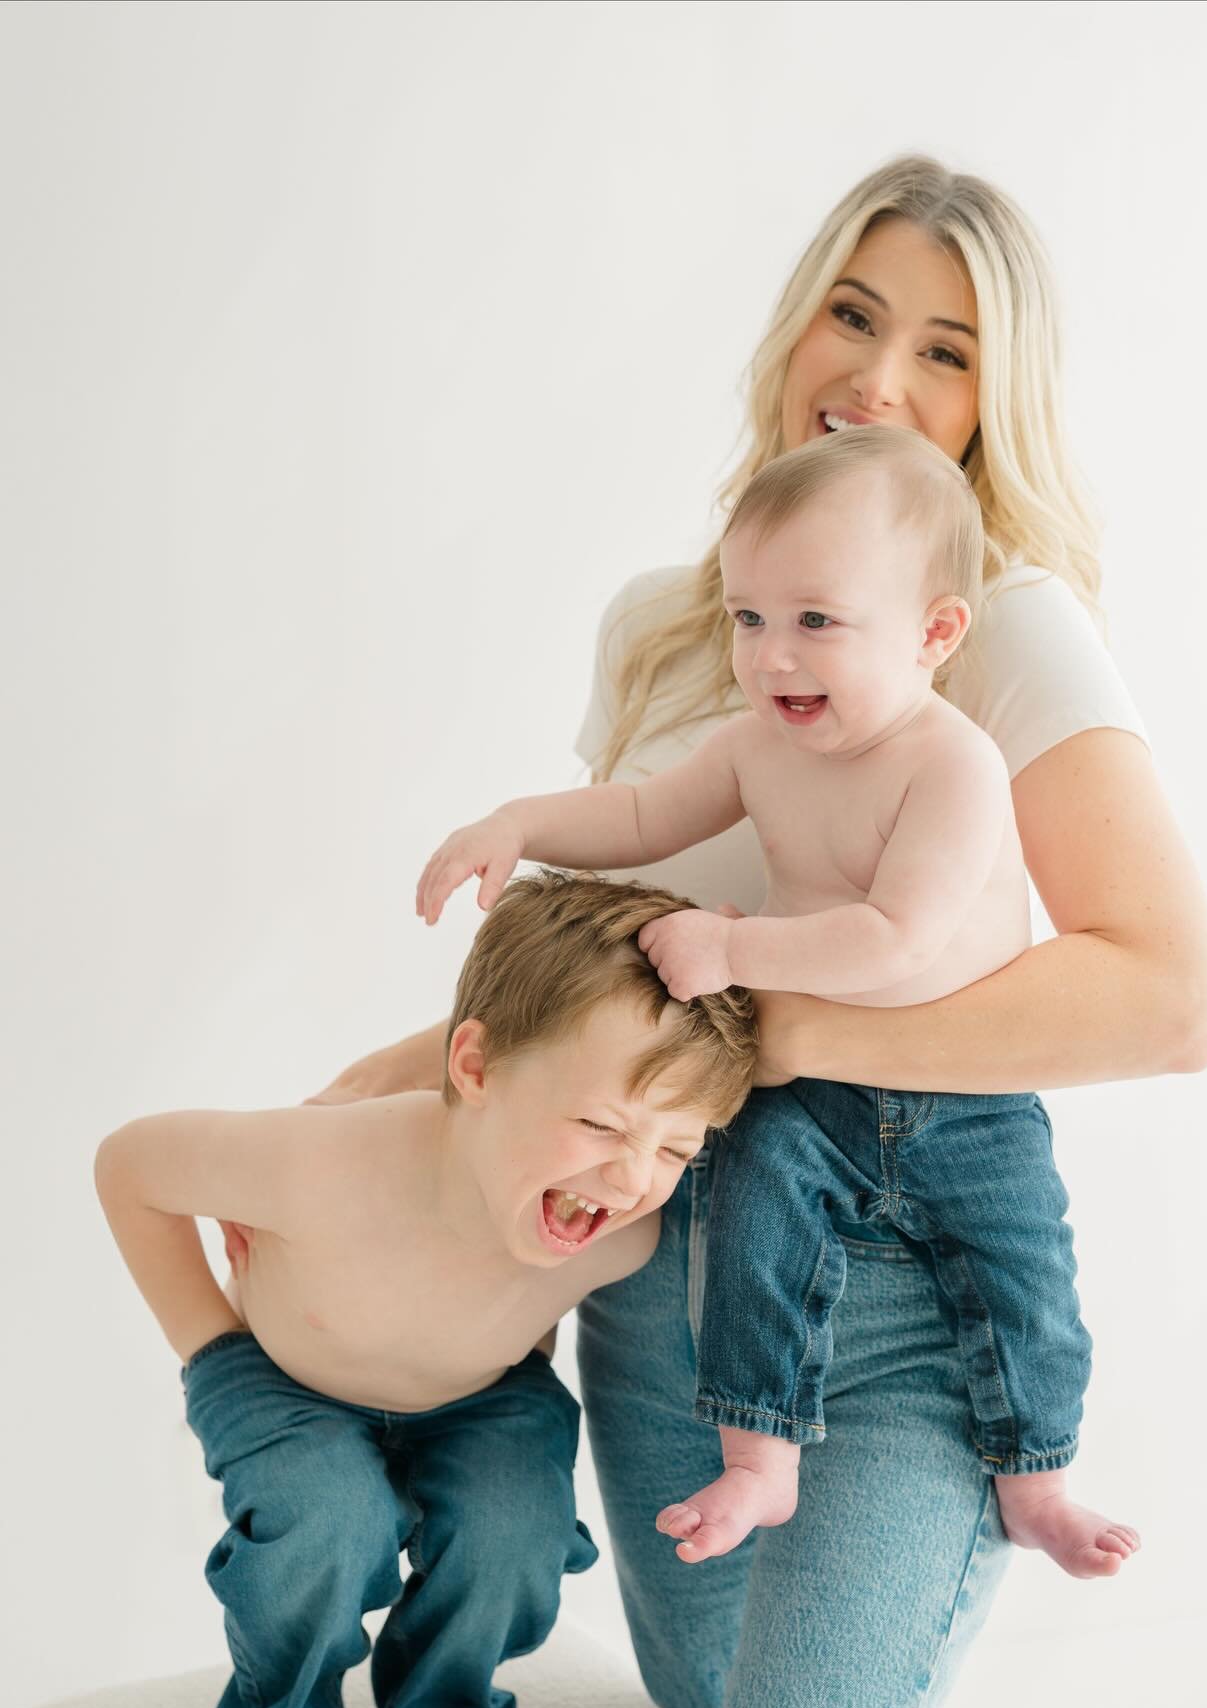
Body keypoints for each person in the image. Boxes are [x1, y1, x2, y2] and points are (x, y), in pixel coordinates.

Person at [305, 156, 1207, 1708]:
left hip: (898, 1312)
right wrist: (417, 1079)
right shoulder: (679, 628)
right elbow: (599, 976)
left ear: (995, 406)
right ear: (796, 321)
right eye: (856, 313)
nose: (881, 377)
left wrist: (761, 1020)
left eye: (950, 354)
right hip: (670, 1297)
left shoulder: (1002, 631)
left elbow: (1167, 995)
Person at [416, 425, 1139, 1580]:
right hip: (808, 1091)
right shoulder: (759, 746)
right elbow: (647, 818)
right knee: (749, 1236)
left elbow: (897, 941)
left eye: (815, 621)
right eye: (748, 618)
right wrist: (520, 824)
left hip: (967, 1099)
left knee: (1023, 1274)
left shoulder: (952, 766)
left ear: (936, 634)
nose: (771, 656)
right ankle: (760, 1457)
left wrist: (734, 945)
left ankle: (1037, 1478)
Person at [95, 872, 756, 1708]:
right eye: (602, 1126)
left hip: (481, 1394)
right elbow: (130, 1165)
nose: (631, 1177)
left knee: (514, 1531)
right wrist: (209, 1347)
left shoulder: (623, 1234)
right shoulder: (316, 1163)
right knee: (327, 1526)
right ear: (474, 1068)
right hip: (287, 1381)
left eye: (677, 1147)